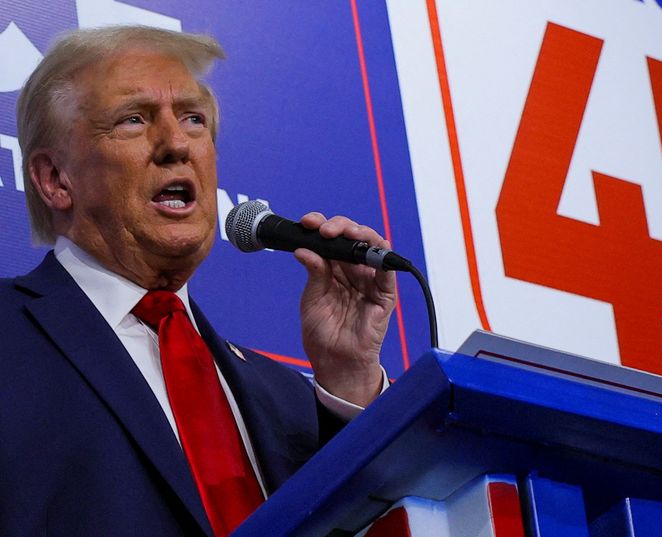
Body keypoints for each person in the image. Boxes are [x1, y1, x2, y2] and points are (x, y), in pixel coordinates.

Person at [0, 25, 396, 536]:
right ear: (55, 179)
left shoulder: (290, 399)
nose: (175, 144)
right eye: (133, 120)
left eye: (193, 119)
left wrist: (350, 378)